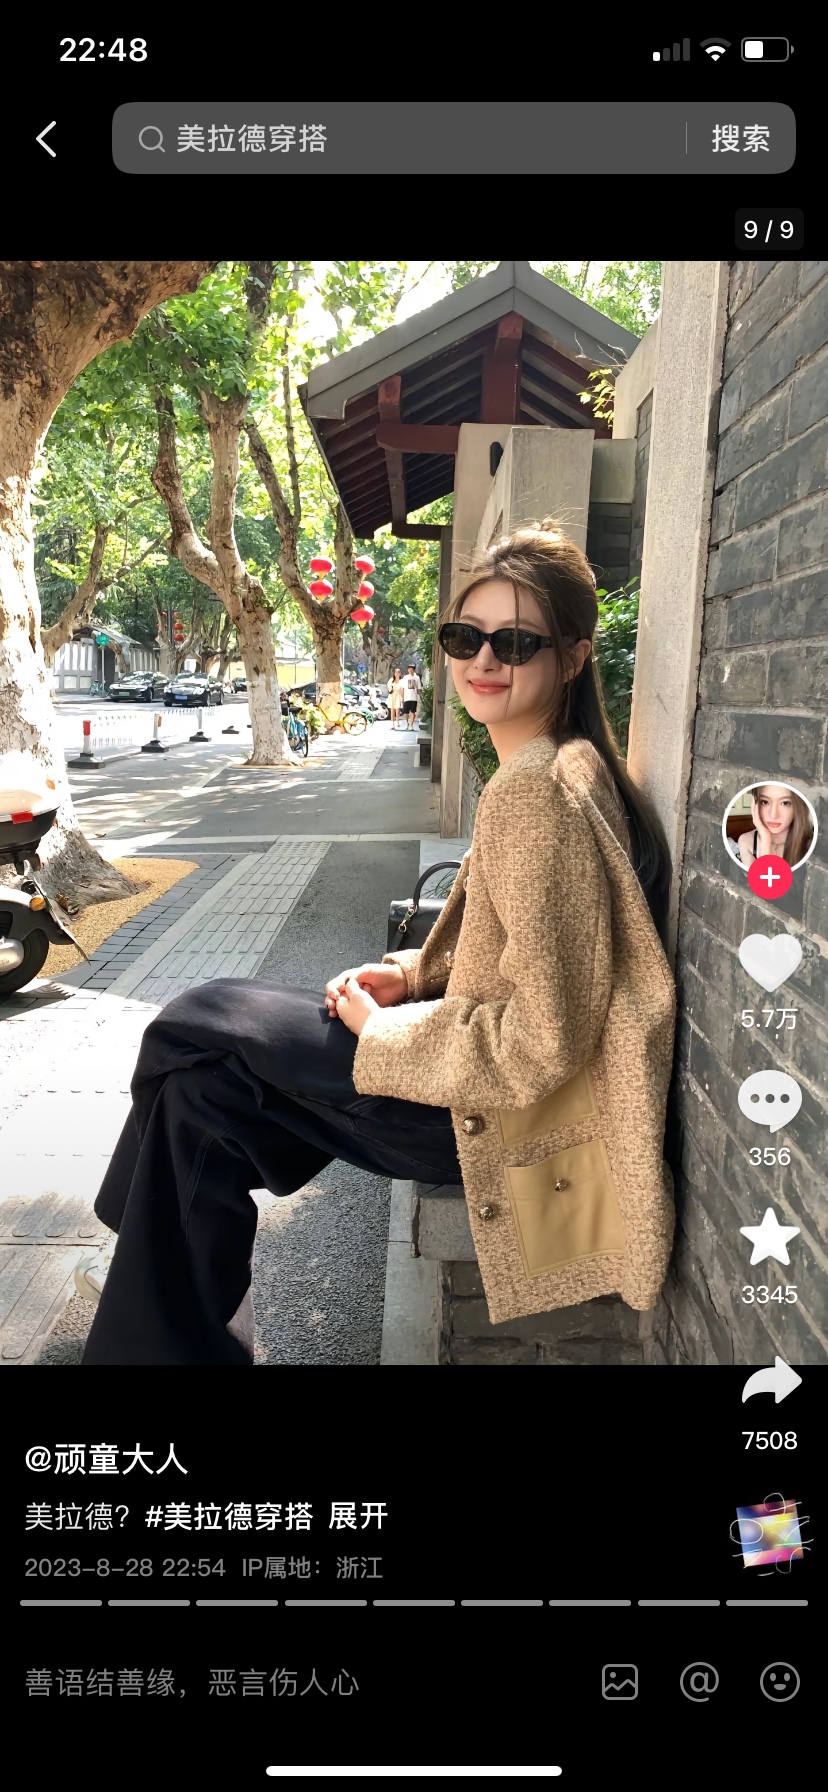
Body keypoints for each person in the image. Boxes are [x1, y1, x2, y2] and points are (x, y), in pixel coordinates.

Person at [77, 517, 676, 1367]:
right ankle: (155, 1303)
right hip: (472, 1074)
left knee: (194, 1020)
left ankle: (134, 1257)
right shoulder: (560, 763)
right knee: (198, 1095)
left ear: (573, 658)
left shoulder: (536, 793)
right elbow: (521, 954)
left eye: (515, 642)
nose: (482, 660)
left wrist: (384, 1031)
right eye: (464, 637)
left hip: (486, 1113)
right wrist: (413, 974)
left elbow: (546, 1038)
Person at [734, 783, 813, 870]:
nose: (773, 815)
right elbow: (762, 878)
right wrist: (765, 839)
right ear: (755, 805)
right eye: (765, 802)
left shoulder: (811, 845)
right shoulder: (746, 841)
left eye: (785, 803)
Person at [400, 664, 422, 730]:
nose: (410, 670)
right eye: (409, 669)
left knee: (413, 712)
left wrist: (419, 697)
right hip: (406, 697)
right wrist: (402, 697)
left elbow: (419, 688)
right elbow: (402, 688)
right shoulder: (405, 677)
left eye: (411, 669)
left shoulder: (417, 678)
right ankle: (407, 724)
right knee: (406, 712)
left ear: (413, 670)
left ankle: (411, 725)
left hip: (414, 697)